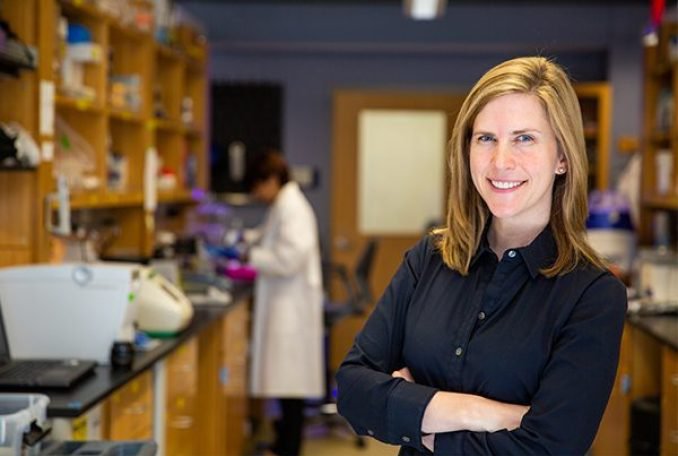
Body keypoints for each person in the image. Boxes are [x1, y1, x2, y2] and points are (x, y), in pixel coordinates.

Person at [335, 56, 627, 455]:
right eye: (485, 138)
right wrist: (479, 413)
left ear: (563, 157)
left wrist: (414, 417)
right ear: (466, 149)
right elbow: (352, 389)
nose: (501, 161)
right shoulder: (429, 259)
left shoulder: (592, 295)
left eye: (524, 138)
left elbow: (548, 448)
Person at [245, 151, 324, 456]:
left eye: (258, 185)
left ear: (272, 180)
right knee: (287, 386)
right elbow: (267, 237)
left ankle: (288, 448)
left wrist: (249, 257)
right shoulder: (283, 204)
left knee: (292, 387)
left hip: (291, 309)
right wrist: (247, 240)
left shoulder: (293, 207)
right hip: (284, 304)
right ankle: (283, 444)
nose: (256, 193)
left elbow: (289, 259)